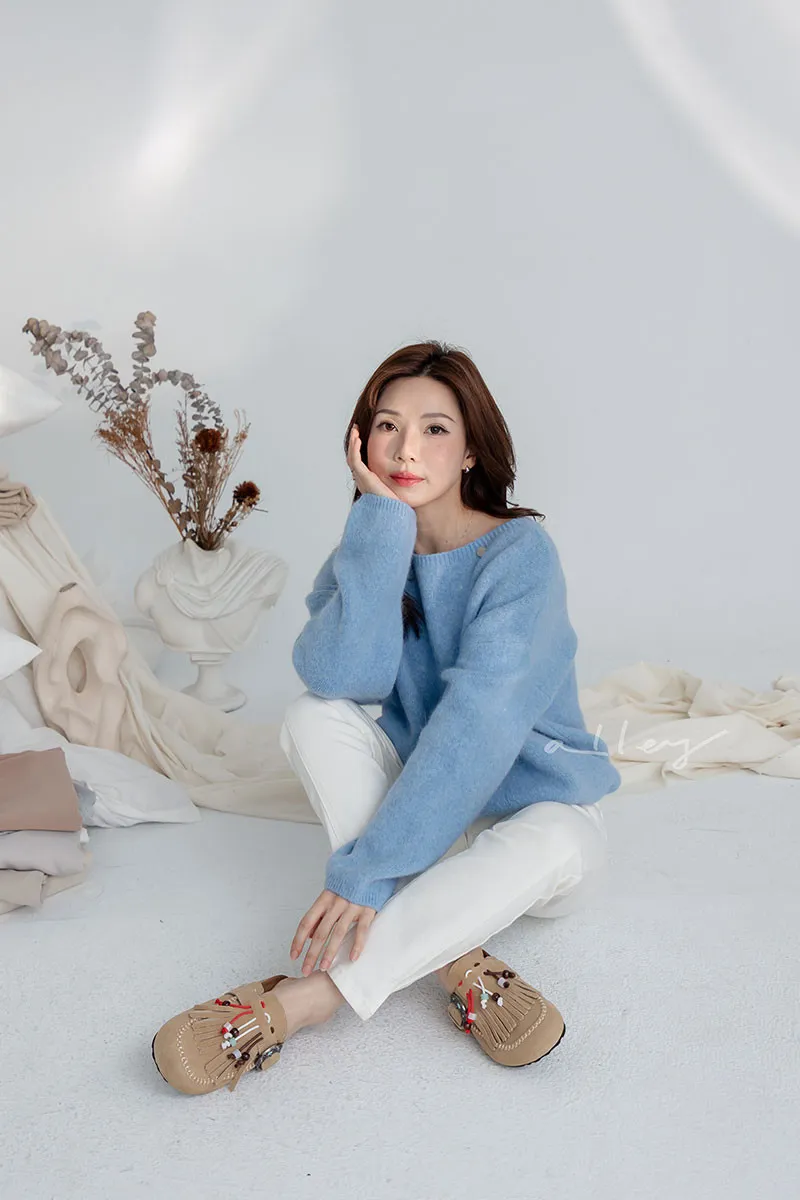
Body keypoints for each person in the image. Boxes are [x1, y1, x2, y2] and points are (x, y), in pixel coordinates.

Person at [151, 340, 621, 1095]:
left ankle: (304, 1001)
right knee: (311, 715)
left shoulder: (521, 554)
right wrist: (380, 526)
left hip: (534, 813)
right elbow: (342, 677)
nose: (407, 449)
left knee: (562, 838)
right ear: (360, 442)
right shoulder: (372, 543)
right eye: (387, 426)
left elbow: (478, 725)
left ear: (471, 451)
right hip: (424, 809)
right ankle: (454, 959)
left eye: (436, 429)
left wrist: (367, 872)